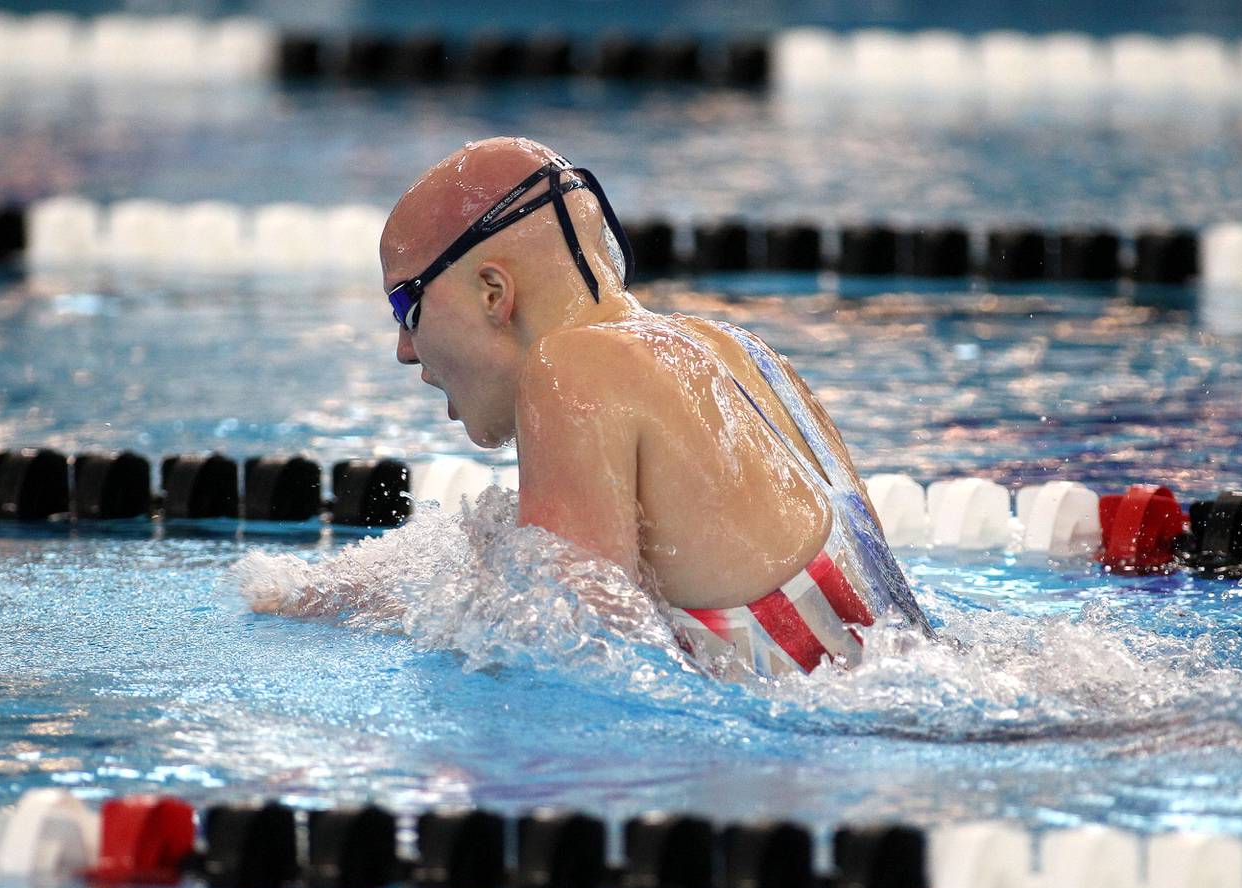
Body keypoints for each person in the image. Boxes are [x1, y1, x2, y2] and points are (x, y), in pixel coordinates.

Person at [380, 136, 932, 682]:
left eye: (406, 305)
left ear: (493, 291)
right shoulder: (742, 352)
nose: (404, 350)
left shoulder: (572, 368)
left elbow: (572, 664)